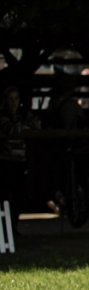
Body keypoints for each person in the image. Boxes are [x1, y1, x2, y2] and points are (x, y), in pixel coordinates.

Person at [0, 86, 42, 234]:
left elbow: (37, 125)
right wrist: (23, 127)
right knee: (5, 195)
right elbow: (9, 129)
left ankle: (13, 226)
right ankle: (4, 227)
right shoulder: (3, 114)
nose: (13, 103)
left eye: (16, 99)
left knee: (19, 195)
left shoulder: (23, 114)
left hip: (19, 160)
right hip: (5, 161)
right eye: (10, 99)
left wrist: (22, 126)